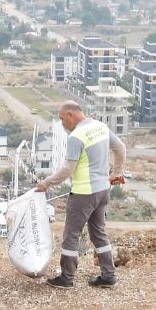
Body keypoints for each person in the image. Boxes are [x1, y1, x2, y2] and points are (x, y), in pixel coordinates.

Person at [35, 101, 127, 288]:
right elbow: (120, 148)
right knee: (99, 233)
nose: (62, 124)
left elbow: (68, 169)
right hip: (103, 190)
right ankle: (109, 276)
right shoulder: (100, 127)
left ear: (70, 114)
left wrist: (47, 183)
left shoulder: (76, 136)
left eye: (62, 119)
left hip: (83, 194)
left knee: (71, 235)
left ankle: (66, 278)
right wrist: (117, 174)